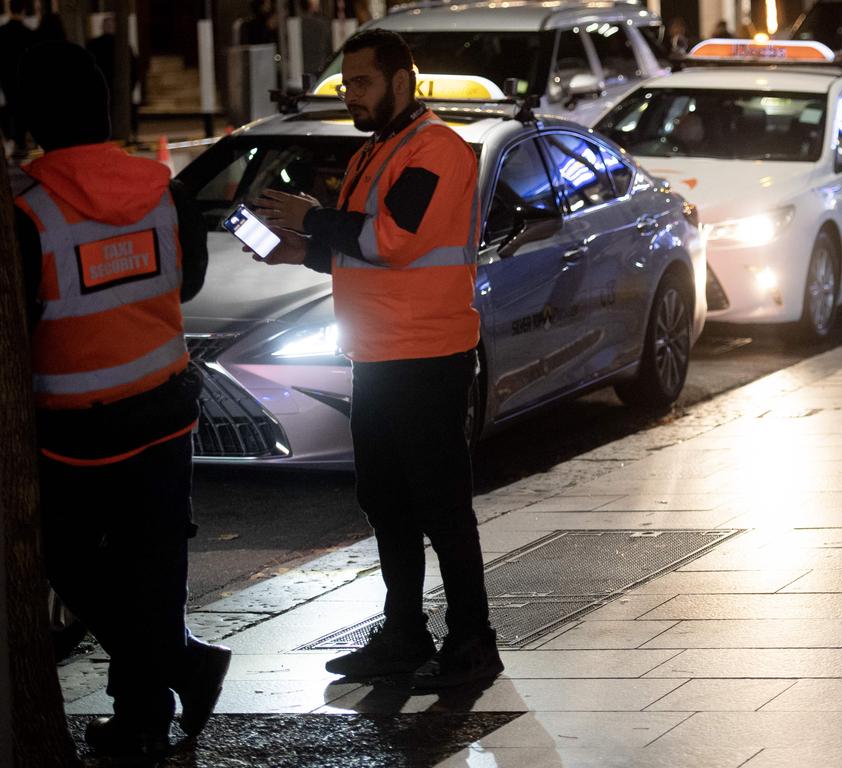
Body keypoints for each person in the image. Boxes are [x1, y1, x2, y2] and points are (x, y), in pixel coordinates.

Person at [251, 28, 503, 690]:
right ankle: (404, 635)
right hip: (380, 354)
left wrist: (311, 220)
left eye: (361, 83)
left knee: (442, 506)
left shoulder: (437, 151)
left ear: (402, 82)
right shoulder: (377, 152)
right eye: (345, 84)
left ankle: (473, 641)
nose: (351, 95)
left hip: (428, 356)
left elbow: (392, 240)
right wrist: (295, 249)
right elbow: (362, 246)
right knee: (386, 501)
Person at [13, 41, 230, 761]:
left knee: (72, 566)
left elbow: (22, 325)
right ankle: (143, 718)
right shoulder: (161, 188)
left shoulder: (28, 211)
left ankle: (181, 667)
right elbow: (188, 281)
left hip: (76, 430)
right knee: (155, 567)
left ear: (34, 121)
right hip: (165, 412)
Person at [0, 0, 37, 155]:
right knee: (22, 107)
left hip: (5, 75)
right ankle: (21, 140)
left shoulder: (2, 32)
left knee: (9, 106)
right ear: (23, 11)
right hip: (23, 76)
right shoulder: (29, 34)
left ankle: (12, 137)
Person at [299, 0, 333, 76]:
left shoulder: (297, 23)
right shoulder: (322, 23)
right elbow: (328, 46)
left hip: (303, 67)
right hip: (320, 67)